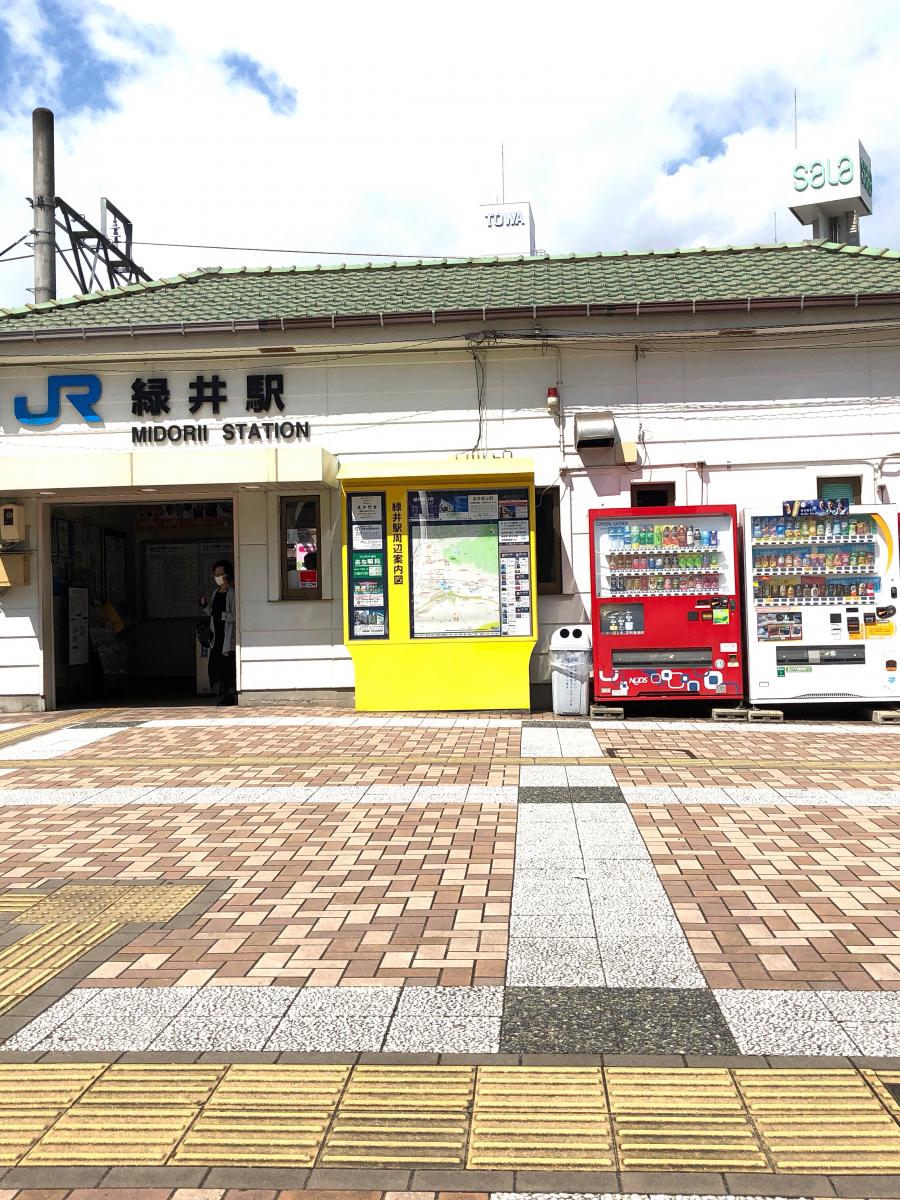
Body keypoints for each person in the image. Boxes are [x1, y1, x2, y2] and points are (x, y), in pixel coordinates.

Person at [199, 559, 236, 705]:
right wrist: (205, 606)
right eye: (216, 574)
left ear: (227, 575)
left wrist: (222, 615)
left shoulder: (232, 593)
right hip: (216, 636)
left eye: (221, 574)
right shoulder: (215, 592)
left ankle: (229, 695)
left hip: (227, 635)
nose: (218, 577)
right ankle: (220, 694)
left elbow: (235, 615)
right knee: (215, 667)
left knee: (227, 666)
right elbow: (212, 613)